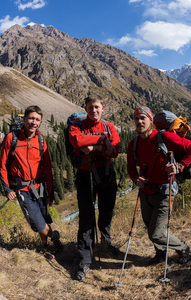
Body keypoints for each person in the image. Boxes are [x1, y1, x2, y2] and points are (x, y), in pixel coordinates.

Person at [126, 106, 191, 264]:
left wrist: (180, 166)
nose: (139, 121)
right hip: (145, 192)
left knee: (156, 233)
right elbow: (131, 167)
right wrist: (135, 179)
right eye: (136, 119)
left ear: (150, 120)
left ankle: (182, 247)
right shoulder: (133, 144)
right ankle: (161, 254)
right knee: (149, 226)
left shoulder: (164, 137)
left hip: (165, 191)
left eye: (143, 118)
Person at [68, 94, 121, 280]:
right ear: (85, 109)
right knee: (86, 215)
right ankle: (85, 258)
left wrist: (95, 148)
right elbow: (77, 141)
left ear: (103, 108)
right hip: (85, 176)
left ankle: (106, 244)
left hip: (106, 173)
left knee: (107, 211)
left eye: (97, 107)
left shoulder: (110, 127)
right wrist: (101, 141)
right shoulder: (77, 126)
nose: (94, 111)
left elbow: (115, 151)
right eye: (90, 107)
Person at [0, 105, 62, 253]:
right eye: (31, 118)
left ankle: (44, 245)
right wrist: (7, 188)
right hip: (22, 188)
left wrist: (51, 192)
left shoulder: (41, 140)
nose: (34, 122)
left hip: (39, 187)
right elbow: (2, 165)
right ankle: (55, 236)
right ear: (25, 119)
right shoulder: (11, 138)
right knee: (37, 222)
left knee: (43, 218)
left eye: (37, 119)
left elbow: (47, 169)